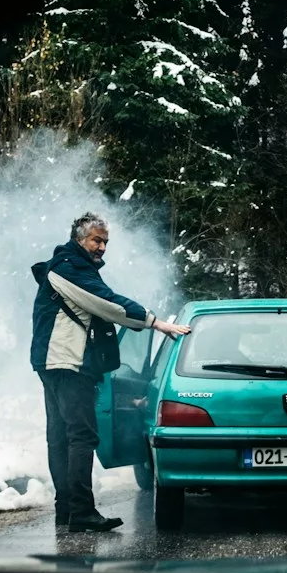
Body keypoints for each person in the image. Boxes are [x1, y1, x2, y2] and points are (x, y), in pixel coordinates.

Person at [30, 212, 190, 532]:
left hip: (56, 363)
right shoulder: (69, 268)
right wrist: (154, 321)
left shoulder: (70, 267)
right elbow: (107, 303)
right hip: (67, 364)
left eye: (105, 241)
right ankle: (82, 511)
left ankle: (69, 511)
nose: (102, 246)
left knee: (61, 438)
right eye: (96, 240)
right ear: (79, 238)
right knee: (81, 436)